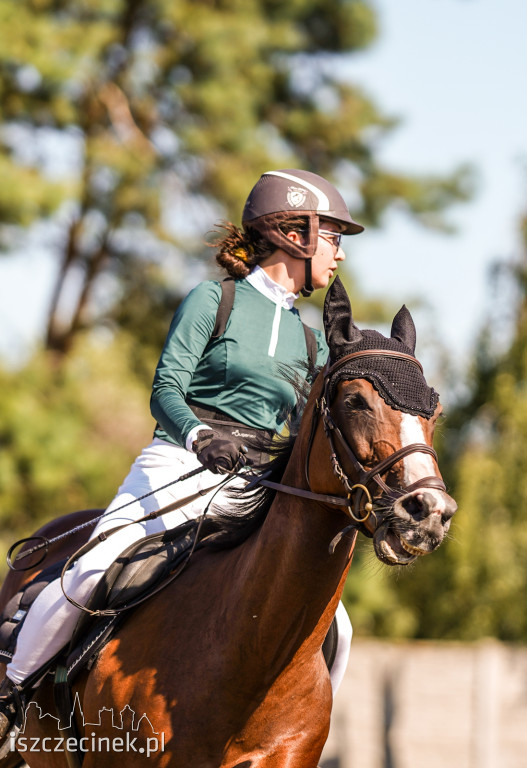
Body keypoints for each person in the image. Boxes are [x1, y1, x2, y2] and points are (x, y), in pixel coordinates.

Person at [0, 169, 364, 736]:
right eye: (334, 238)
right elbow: (165, 387)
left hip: (254, 487)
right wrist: (198, 436)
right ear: (296, 234)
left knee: (335, 625)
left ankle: (293, 731)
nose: (339, 254)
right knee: (86, 574)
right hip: (178, 463)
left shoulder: (312, 339)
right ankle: (12, 696)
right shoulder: (213, 300)